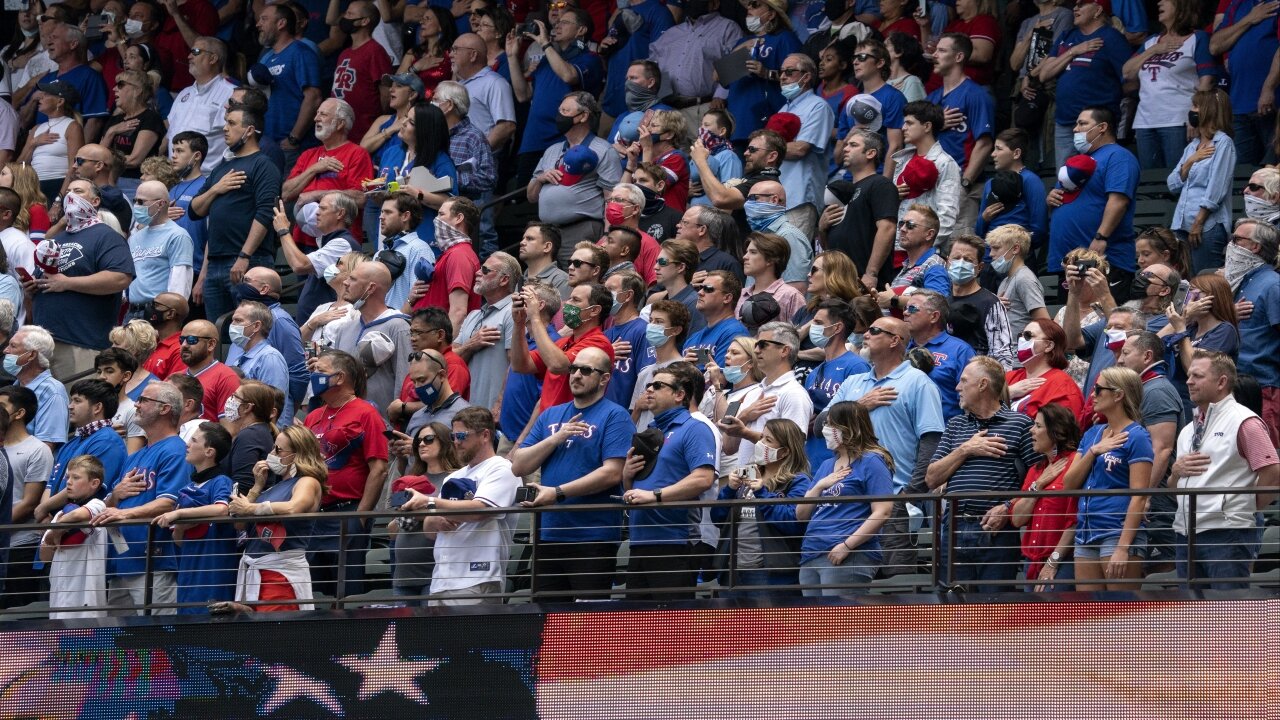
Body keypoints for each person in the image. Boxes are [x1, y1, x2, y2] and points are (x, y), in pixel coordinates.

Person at [510, 347, 633, 599]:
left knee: (588, 622)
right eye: (573, 369)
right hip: (549, 533)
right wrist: (556, 438)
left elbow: (612, 473)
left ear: (604, 378)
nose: (576, 375)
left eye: (586, 370)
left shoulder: (615, 415)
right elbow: (519, 465)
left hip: (593, 535)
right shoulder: (551, 415)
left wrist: (557, 493)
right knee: (548, 618)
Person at [829, 315, 945, 576]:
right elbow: (819, 427)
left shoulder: (918, 383)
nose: (865, 335)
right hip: (848, 496)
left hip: (894, 498)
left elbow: (931, 442)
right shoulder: (853, 383)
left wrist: (910, 494)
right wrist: (860, 406)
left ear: (895, 340)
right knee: (847, 584)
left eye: (874, 330)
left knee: (894, 586)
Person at [926, 357, 1042, 592]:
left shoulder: (1020, 424)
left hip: (997, 529)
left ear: (982, 385)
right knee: (951, 608)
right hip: (954, 526)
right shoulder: (955, 425)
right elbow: (931, 478)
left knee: (996, 608)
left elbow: (1041, 474)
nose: (957, 387)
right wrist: (966, 449)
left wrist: (1009, 506)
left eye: (964, 381)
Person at [1172, 351, 1279, 589]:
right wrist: (1176, 472)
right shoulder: (1188, 429)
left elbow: (1273, 472)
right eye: (1189, 375)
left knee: (1227, 617)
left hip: (1227, 532)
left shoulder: (1244, 421)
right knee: (1191, 616)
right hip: (1185, 532)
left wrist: (1245, 506)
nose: (1189, 381)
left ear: (1221, 382)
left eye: (1198, 376)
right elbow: (1174, 487)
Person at [91, 381, 190, 615]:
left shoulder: (175, 449)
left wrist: (124, 513)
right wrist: (115, 495)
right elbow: (110, 503)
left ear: (164, 408)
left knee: (158, 637)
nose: (136, 404)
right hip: (122, 560)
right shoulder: (136, 455)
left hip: (153, 561)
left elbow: (169, 502)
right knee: (118, 642)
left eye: (144, 400)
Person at [620, 364, 717, 600]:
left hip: (675, 541)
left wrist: (655, 496)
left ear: (679, 395)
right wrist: (626, 475)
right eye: (649, 385)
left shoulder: (695, 428)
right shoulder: (651, 430)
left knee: (671, 630)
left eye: (658, 386)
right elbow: (635, 487)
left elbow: (703, 478)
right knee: (636, 627)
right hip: (640, 541)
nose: (649, 390)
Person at [403, 407, 518, 606]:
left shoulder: (502, 468)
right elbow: (429, 530)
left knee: (472, 638)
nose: (456, 442)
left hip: (477, 577)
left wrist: (431, 503)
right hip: (441, 580)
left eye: (462, 436)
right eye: (453, 436)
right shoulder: (453, 476)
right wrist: (434, 518)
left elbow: (481, 510)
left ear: (485, 435)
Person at [26, 182, 134, 382]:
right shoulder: (58, 238)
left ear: (95, 201)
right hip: (43, 341)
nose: (70, 196)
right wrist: (34, 285)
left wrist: (68, 283)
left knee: (76, 406)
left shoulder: (106, 236)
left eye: (78, 191)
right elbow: (49, 278)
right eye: (67, 192)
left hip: (80, 342)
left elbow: (120, 277)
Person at [1058, 366, 1152, 591]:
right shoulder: (1092, 434)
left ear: (1118, 395)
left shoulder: (1137, 436)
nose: (1092, 394)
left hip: (1117, 532)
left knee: (1121, 615)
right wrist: (1093, 451)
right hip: (1086, 531)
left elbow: (1138, 496)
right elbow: (1069, 484)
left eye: (1098, 389)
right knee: (1090, 615)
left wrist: (1123, 546)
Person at [188, 104, 283, 325]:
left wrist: (244, 256)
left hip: (249, 262)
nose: (224, 128)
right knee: (219, 335)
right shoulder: (221, 169)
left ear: (249, 130)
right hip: (215, 264)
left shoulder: (263, 165)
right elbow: (195, 210)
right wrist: (215, 188)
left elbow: (265, 213)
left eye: (231, 123)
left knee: (251, 328)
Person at [304, 350, 389, 597]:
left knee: (346, 594)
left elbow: (379, 468)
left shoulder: (366, 412)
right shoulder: (312, 416)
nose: (314, 375)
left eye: (320, 370)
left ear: (339, 377)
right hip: (313, 516)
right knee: (314, 595)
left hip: (346, 514)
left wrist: (360, 517)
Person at [797, 401, 894, 596]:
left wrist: (847, 545)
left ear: (849, 427)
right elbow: (801, 514)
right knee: (812, 626)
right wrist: (818, 486)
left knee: (838, 623)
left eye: (831, 424)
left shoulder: (871, 461)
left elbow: (883, 511)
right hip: (811, 554)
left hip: (846, 554)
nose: (825, 430)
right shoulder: (826, 465)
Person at [229, 424, 325, 611]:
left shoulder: (308, 481)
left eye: (278, 450)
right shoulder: (271, 489)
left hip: (280, 574)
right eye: (273, 448)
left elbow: (293, 507)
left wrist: (251, 508)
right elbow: (240, 524)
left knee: (275, 632)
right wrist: (257, 487)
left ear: (297, 454)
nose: (271, 454)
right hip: (257, 571)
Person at [1046, 107, 1139, 297]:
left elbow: (1118, 200)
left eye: (1082, 124)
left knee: (1103, 322)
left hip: (1102, 258)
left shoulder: (1118, 156)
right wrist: (1051, 199)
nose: (1075, 129)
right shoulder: (1078, 160)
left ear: (1102, 127)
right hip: (1070, 262)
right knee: (1072, 322)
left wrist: (1101, 237)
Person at [151, 420, 237, 613]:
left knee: (210, 619)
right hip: (189, 566)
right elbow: (179, 540)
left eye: (194, 440)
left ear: (209, 452)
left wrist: (180, 513)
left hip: (212, 566)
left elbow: (222, 509)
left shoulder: (220, 481)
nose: (187, 444)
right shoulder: (187, 487)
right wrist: (180, 526)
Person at [717, 417, 810, 595]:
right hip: (733, 569)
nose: (760, 444)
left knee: (766, 624)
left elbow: (792, 522)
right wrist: (728, 490)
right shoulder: (748, 471)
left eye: (768, 440)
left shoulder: (797, 481)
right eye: (761, 438)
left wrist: (762, 492)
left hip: (769, 571)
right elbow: (718, 518)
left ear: (784, 452)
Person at [509, 10, 605, 182]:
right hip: (533, 140)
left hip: (566, 141)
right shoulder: (547, 61)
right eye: (557, 22)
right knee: (526, 202)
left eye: (565, 22)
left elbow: (568, 75)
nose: (557, 25)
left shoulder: (590, 59)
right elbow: (523, 95)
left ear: (581, 30)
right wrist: (512, 57)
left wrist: (546, 44)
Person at [1032, 0, 1130, 168]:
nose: (1075, 8)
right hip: (1065, 120)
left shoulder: (1111, 37)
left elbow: (1129, 78)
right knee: (1066, 178)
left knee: (1097, 174)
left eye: (1082, 4)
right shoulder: (1067, 36)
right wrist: (1074, 51)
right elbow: (1044, 74)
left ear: (1098, 10)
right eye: (1075, 5)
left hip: (1097, 123)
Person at [527, 92, 621, 267]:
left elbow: (612, 198)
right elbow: (531, 196)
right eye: (559, 110)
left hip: (581, 229)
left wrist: (608, 236)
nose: (559, 116)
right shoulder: (552, 150)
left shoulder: (603, 150)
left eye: (565, 110)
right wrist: (540, 179)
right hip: (548, 232)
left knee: (575, 281)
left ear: (583, 116)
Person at [1124, 0, 1217, 170]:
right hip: (1145, 122)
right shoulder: (1152, 41)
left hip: (1178, 120)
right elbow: (1127, 73)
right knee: (1151, 183)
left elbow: (1207, 80)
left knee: (1178, 177)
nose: (1159, 2)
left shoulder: (1198, 38)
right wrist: (1154, 50)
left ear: (1182, 6)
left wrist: (1196, 117)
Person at [716, 321, 813, 473]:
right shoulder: (753, 393)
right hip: (746, 482)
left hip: (773, 488)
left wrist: (745, 432)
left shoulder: (794, 394)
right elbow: (728, 448)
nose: (756, 350)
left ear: (784, 351)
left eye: (762, 345)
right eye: (756, 345)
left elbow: (793, 449)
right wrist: (744, 416)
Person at [281, 99, 374, 251]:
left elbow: (360, 198)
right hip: (304, 240)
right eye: (317, 113)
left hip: (339, 242)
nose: (316, 118)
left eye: (323, 114)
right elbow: (286, 193)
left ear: (340, 124)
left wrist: (316, 195)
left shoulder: (357, 154)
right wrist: (314, 169)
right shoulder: (308, 155)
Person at [926, 34, 995, 235]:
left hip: (960, 184)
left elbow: (984, 143)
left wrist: (964, 183)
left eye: (942, 50)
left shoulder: (976, 94)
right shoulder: (932, 97)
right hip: (931, 183)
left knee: (959, 247)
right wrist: (938, 125)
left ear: (958, 57)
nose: (934, 55)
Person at [512, 281, 615, 414]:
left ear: (594, 310)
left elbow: (557, 365)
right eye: (569, 298)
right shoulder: (563, 343)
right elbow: (520, 365)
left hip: (571, 425)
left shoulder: (599, 343)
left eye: (575, 300)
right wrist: (519, 323)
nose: (567, 303)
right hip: (547, 423)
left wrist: (535, 316)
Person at [385, 421, 459, 604]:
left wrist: (421, 510)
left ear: (444, 441)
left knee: (428, 631)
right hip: (403, 573)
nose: (422, 444)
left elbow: (456, 515)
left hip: (435, 573)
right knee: (401, 631)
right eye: (419, 441)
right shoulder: (410, 479)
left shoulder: (457, 477)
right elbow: (392, 528)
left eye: (429, 439)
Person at [1009, 403, 1080, 590]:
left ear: (1057, 432)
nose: (1031, 431)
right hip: (1031, 562)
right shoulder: (1036, 470)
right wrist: (1038, 486)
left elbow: (1074, 521)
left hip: (1062, 561)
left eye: (1038, 426)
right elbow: (1017, 518)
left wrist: (1052, 562)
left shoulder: (1075, 463)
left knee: (1055, 618)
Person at [1168, 88, 1236, 273]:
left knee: (1204, 281)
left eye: (1196, 106)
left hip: (1207, 226)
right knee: (1186, 280)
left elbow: (1217, 187)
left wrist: (1198, 223)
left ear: (1209, 110)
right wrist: (1191, 160)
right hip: (1181, 223)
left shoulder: (1223, 143)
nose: (1191, 110)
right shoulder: (1192, 146)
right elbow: (1173, 184)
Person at [820, 129, 898, 290]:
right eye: (846, 144)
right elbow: (829, 244)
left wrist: (871, 273)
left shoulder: (880, 184)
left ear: (870, 153)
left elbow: (887, 228)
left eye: (853, 145)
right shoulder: (842, 191)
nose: (845, 148)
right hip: (837, 280)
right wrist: (821, 228)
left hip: (863, 281)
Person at [647, 0, 742, 132]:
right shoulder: (672, 32)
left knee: (700, 151)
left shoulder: (728, 28)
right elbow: (653, 64)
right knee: (670, 152)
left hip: (704, 108)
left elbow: (736, 62)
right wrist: (660, 96)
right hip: (667, 108)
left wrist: (720, 96)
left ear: (714, 4)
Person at [0, 385, 53, 608]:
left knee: (14, 610)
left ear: (19, 413)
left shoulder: (37, 449)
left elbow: (30, 502)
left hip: (20, 543)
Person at [1229, 219, 1280, 446]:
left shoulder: (1272, 285)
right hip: (1235, 386)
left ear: (1255, 247)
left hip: (1264, 389)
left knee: (1266, 458)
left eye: (1237, 239)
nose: (1231, 244)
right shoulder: (1240, 283)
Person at [273, 192, 358, 326]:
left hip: (325, 329)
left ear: (340, 214)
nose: (317, 213)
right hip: (316, 327)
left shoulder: (343, 244)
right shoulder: (329, 241)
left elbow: (299, 265)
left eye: (323, 208)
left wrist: (283, 231)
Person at [723, 0, 801, 145]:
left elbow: (799, 78)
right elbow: (719, 76)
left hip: (766, 124)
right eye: (748, 5)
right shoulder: (743, 42)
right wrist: (741, 48)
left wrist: (766, 73)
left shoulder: (785, 39)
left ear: (771, 14)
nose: (749, 8)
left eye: (756, 4)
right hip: (736, 125)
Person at [1211, 0, 1280, 165]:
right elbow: (1215, 46)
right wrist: (1249, 18)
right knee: (1243, 173)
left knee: (1273, 170)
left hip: (1273, 101)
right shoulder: (1238, 5)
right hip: (1239, 103)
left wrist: (1268, 88)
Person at [40, 454, 108, 620]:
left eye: (76, 477)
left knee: (86, 643)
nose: (68, 482)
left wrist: (56, 531)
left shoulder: (99, 505)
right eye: (68, 477)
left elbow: (78, 515)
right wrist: (55, 534)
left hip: (86, 597)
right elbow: (44, 556)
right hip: (59, 594)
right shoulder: (60, 514)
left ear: (94, 483)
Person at [252, 3, 321, 160]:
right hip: (269, 143)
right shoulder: (267, 58)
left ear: (281, 23)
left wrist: (294, 137)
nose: (258, 24)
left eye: (264, 19)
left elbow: (314, 97)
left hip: (293, 146)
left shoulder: (301, 52)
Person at [453, 252, 518, 416]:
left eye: (485, 270)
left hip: (494, 413)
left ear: (504, 280)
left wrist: (500, 403)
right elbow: (452, 360)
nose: (477, 272)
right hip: (465, 411)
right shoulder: (473, 315)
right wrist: (471, 345)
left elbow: (516, 364)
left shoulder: (514, 312)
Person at [890, 101, 961, 242]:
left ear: (927, 126)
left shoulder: (945, 163)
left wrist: (926, 248)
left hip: (921, 251)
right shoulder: (903, 159)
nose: (903, 128)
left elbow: (947, 215)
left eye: (909, 123)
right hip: (895, 245)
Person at [408, 197, 482, 331]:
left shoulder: (459, 255)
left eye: (441, 214)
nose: (435, 220)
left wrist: (446, 350)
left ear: (459, 218)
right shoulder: (451, 253)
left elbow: (458, 312)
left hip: (439, 347)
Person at [165, 37, 235, 173]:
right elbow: (170, 133)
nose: (189, 56)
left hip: (208, 179)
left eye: (196, 51)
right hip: (175, 178)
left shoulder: (231, 94)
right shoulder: (183, 94)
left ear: (213, 59)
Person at [945, 234, 1015, 369]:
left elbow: (1003, 355)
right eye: (956, 258)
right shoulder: (943, 302)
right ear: (947, 262)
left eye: (968, 260)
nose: (961, 263)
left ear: (980, 267)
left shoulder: (990, 303)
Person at [125, 181, 193, 315]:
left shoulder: (177, 236)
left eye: (141, 201)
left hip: (158, 313)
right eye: (135, 201)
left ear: (161, 204)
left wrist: (171, 315)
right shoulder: (135, 237)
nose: (136, 206)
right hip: (132, 312)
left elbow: (179, 284)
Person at [904, 290, 975, 420]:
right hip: (904, 432)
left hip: (945, 434)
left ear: (934, 317)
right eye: (905, 308)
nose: (905, 312)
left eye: (912, 309)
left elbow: (972, 401)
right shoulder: (899, 347)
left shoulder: (960, 350)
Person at [975, 129, 1048, 249]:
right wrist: (984, 218)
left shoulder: (1030, 181)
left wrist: (1018, 250)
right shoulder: (990, 183)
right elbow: (979, 231)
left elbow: (1039, 228)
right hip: (990, 257)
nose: (993, 154)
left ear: (1016, 153)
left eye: (999, 149)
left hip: (1018, 257)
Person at [329, 2, 391, 140]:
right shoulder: (344, 53)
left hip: (363, 132)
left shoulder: (375, 51)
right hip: (339, 131)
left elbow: (385, 92)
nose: (345, 17)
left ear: (364, 21)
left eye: (350, 14)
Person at [226, 301, 293, 425]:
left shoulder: (270, 358)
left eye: (238, 321)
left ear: (256, 326)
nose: (232, 325)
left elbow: (273, 406)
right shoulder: (240, 356)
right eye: (232, 320)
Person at [877, 204, 950, 314]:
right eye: (901, 224)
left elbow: (939, 304)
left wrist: (894, 300)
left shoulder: (935, 265)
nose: (902, 229)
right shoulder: (906, 266)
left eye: (910, 225)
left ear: (929, 234)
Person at [1006, 318, 1084, 420]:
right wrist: (1008, 392)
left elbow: (1064, 431)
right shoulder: (1009, 377)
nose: (1021, 340)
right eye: (1020, 335)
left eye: (1028, 336)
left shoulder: (1062, 387)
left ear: (1049, 345)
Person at [101, 70, 165, 194]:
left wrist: (104, 161)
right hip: (107, 180)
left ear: (138, 90)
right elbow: (97, 154)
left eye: (120, 85)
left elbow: (134, 160)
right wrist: (111, 131)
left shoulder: (150, 118)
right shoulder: (115, 120)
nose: (114, 89)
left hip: (134, 183)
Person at [4, 325, 67, 451]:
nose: (6, 350)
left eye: (13, 346)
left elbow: (45, 448)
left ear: (31, 355)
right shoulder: (15, 387)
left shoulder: (52, 392)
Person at [450, 32, 516, 151]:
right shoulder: (460, 84)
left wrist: (478, 156)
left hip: (478, 166)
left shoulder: (494, 82)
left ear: (473, 55)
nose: (450, 55)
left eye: (455, 50)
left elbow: (506, 126)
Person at [19, 79, 81, 200]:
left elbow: (74, 168)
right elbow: (20, 166)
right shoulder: (36, 129)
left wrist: (59, 199)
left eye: (46, 94)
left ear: (60, 101)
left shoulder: (72, 127)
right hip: (33, 186)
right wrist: (33, 143)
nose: (40, 97)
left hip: (58, 185)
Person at [375, 191, 433, 314]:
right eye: (381, 212)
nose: (381, 217)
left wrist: (396, 322)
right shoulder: (379, 253)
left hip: (403, 326)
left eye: (388, 212)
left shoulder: (419, 249)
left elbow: (419, 297)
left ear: (405, 216)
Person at [987, 224, 1048, 340]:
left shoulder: (1024, 279)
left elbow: (1044, 323)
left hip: (1019, 355)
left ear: (1015, 249)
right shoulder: (1006, 280)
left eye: (996, 248)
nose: (991, 254)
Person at [299, 250, 364, 352]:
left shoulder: (358, 309)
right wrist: (314, 322)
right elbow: (299, 342)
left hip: (339, 366)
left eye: (339, 263)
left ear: (352, 272)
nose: (333, 265)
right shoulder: (322, 308)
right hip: (314, 366)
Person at [602, 270, 651, 407]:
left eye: (610, 290)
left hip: (625, 415)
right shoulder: (606, 334)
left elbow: (646, 378)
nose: (604, 295)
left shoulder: (643, 331)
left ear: (628, 295)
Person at [683, 270, 748, 367]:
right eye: (700, 288)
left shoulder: (736, 333)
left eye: (708, 289)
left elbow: (720, 379)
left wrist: (688, 370)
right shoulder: (693, 338)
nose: (700, 292)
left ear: (727, 298)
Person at [221, 380, 276, 494]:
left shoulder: (250, 435)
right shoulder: (259, 431)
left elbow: (242, 485)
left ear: (247, 407)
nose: (230, 400)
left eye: (235, 397)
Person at [737, 232, 806, 323]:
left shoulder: (790, 296)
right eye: (746, 252)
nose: (745, 257)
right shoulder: (741, 294)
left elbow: (799, 333)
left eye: (753, 252)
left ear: (770, 259)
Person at [178, 319, 239, 422]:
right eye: (181, 340)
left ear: (211, 344)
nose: (184, 345)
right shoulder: (175, 378)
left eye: (192, 340)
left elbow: (230, 430)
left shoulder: (226, 378)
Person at [94, 347, 147, 453]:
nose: (101, 377)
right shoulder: (90, 407)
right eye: (99, 371)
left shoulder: (132, 410)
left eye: (109, 371)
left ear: (126, 376)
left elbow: (131, 458)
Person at [680, 205, 744, 283]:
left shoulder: (726, 263)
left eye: (685, 222)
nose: (678, 225)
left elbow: (736, 294)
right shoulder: (678, 257)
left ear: (702, 230)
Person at [142, 292, 190, 381]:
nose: (149, 308)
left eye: (155, 305)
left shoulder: (180, 350)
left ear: (170, 314)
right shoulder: (149, 341)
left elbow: (173, 390)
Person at [519, 223, 570, 299]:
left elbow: (562, 311)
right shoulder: (520, 280)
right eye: (523, 238)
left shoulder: (561, 281)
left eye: (529, 239)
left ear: (547, 247)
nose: (522, 242)